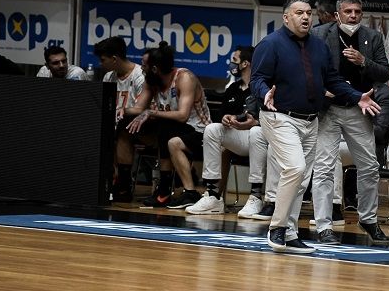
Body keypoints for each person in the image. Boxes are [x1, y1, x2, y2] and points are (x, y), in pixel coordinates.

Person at [250, 0, 380, 254]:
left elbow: (332, 80)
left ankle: (290, 233)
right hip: (279, 117)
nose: (305, 17)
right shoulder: (270, 44)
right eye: (299, 13)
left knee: (301, 180)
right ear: (286, 17)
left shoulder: (318, 47)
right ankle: (277, 227)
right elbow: (257, 79)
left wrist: (357, 97)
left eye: (308, 13)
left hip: (310, 120)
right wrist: (264, 92)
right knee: (295, 169)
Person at [310, 0, 389, 246]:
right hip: (328, 109)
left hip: (358, 107)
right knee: (324, 168)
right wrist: (320, 90)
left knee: (369, 167)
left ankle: (368, 219)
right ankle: (324, 226)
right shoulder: (319, 34)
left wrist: (364, 61)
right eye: (348, 12)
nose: (353, 16)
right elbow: (308, 69)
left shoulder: (372, 37)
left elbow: (385, 73)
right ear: (337, 15)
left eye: (357, 12)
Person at [184, 46, 269, 218]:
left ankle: (255, 196)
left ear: (245, 64)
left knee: (256, 131)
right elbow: (222, 115)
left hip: (261, 138)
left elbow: (270, 115)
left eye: (235, 60)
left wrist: (254, 122)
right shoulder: (232, 88)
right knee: (212, 129)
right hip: (238, 137)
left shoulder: (262, 87)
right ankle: (213, 195)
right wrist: (226, 118)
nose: (232, 64)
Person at [125, 41, 212, 208]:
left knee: (165, 128)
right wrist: (118, 110)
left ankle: (180, 191)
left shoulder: (184, 78)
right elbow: (138, 108)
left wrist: (151, 113)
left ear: (155, 69)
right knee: (131, 126)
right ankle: (158, 190)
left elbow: (182, 115)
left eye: (144, 65)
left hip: (200, 132)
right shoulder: (151, 81)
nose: (141, 68)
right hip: (172, 129)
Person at [94, 36, 147, 202]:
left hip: (136, 125)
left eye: (103, 60)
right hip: (113, 125)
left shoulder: (139, 76)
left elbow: (143, 109)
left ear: (114, 59)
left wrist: (123, 113)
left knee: (122, 129)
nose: (100, 64)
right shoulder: (108, 77)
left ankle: (123, 182)